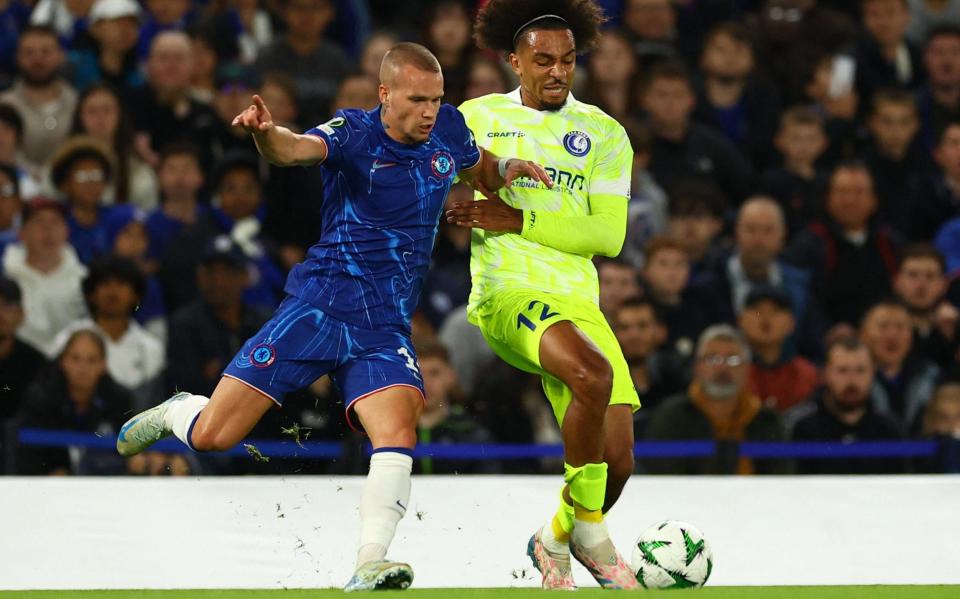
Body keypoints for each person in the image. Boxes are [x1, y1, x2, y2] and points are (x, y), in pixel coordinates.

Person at [115, 42, 550, 591]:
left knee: (396, 431)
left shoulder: (449, 129)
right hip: (318, 308)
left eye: (437, 100)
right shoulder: (353, 132)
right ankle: (181, 410)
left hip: (383, 325)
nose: (428, 112)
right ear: (385, 94)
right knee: (212, 437)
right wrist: (263, 133)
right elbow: (293, 150)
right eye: (417, 100)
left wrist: (510, 168)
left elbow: (480, 167)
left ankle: (370, 560)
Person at [460, 0, 640, 589]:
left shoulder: (606, 134)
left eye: (566, 60)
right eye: (542, 61)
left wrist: (518, 221)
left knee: (618, 464)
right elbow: (433, 162)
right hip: (508, 291)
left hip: (579, 302)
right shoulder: (476, 117)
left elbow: (607, 236)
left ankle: (556, 535)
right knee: (591, 375)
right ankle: (589, 532)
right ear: (513, 60)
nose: (557, 72)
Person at [642, 324, 790, 475]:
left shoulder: (767, 421)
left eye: (733, 359)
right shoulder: (672, 417)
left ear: (747, 367)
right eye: (712, 358)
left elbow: (783, 480)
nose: (722, 368)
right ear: (697, 366)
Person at [790, 336, 908, 474]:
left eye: (860, 370)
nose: (851, 380)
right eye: (842, 370)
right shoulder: (803, 429)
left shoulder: (889, 429)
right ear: (826, 374)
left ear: (872, 373)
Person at [739, 286, 819, 413]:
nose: (766, 318)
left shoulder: (807, 375)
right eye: (758, 311)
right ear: (740, 320)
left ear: (791, 322)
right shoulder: (731, 372)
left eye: (775, 311)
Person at [759, 106, 829, 238]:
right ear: (779, 141)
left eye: (811, 139)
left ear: (823, 142)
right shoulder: (770, 181)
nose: (804, 146)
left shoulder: (829, 181)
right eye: (796, 138)